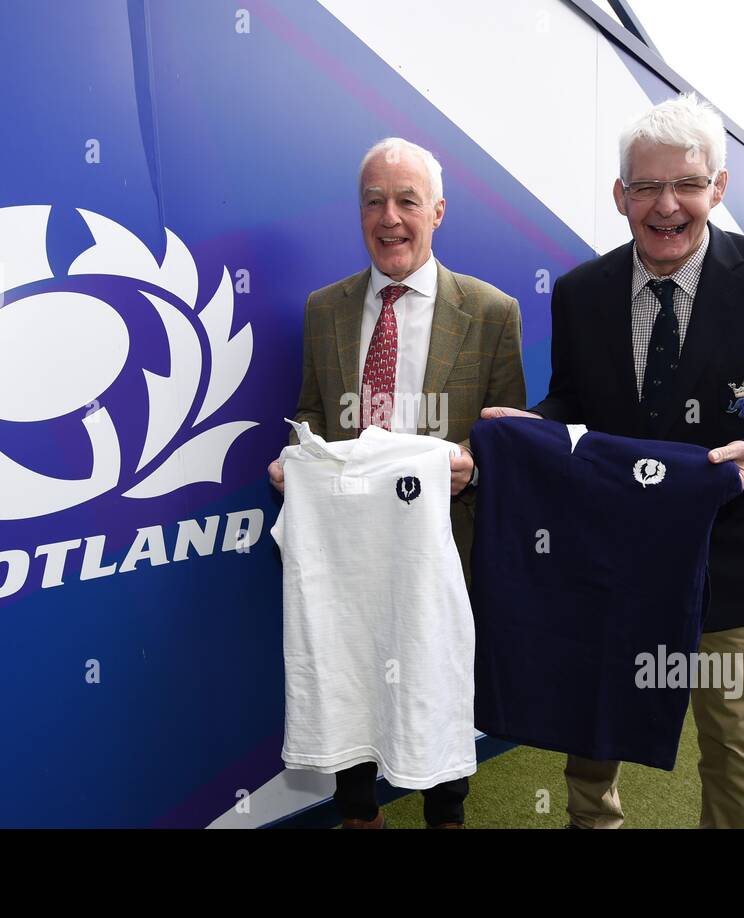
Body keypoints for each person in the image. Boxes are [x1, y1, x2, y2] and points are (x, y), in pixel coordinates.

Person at [483, 93, 744, 828]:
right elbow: (574, 403)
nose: (666, 204)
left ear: (717, 188)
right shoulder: (582, 292)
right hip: (611, 561)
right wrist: (528, 430)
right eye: (646, 186)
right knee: (592, 731)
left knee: (734, 743)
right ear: (621, 196)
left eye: (686, 183)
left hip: (731, 560)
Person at [269, 137, 527, 828]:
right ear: (359, 214)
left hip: (443, 542)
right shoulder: (325, 309)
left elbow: (507, 433)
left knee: (438, 683)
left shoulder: (493, 311)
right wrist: (294, 456)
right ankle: (359, 812)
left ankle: (446, 814)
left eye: (407, 200)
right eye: (374, 202)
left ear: (437, 211)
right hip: (348, 546)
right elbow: (312, 412)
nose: (390, 217)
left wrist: (476, 459)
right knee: (349, 669)